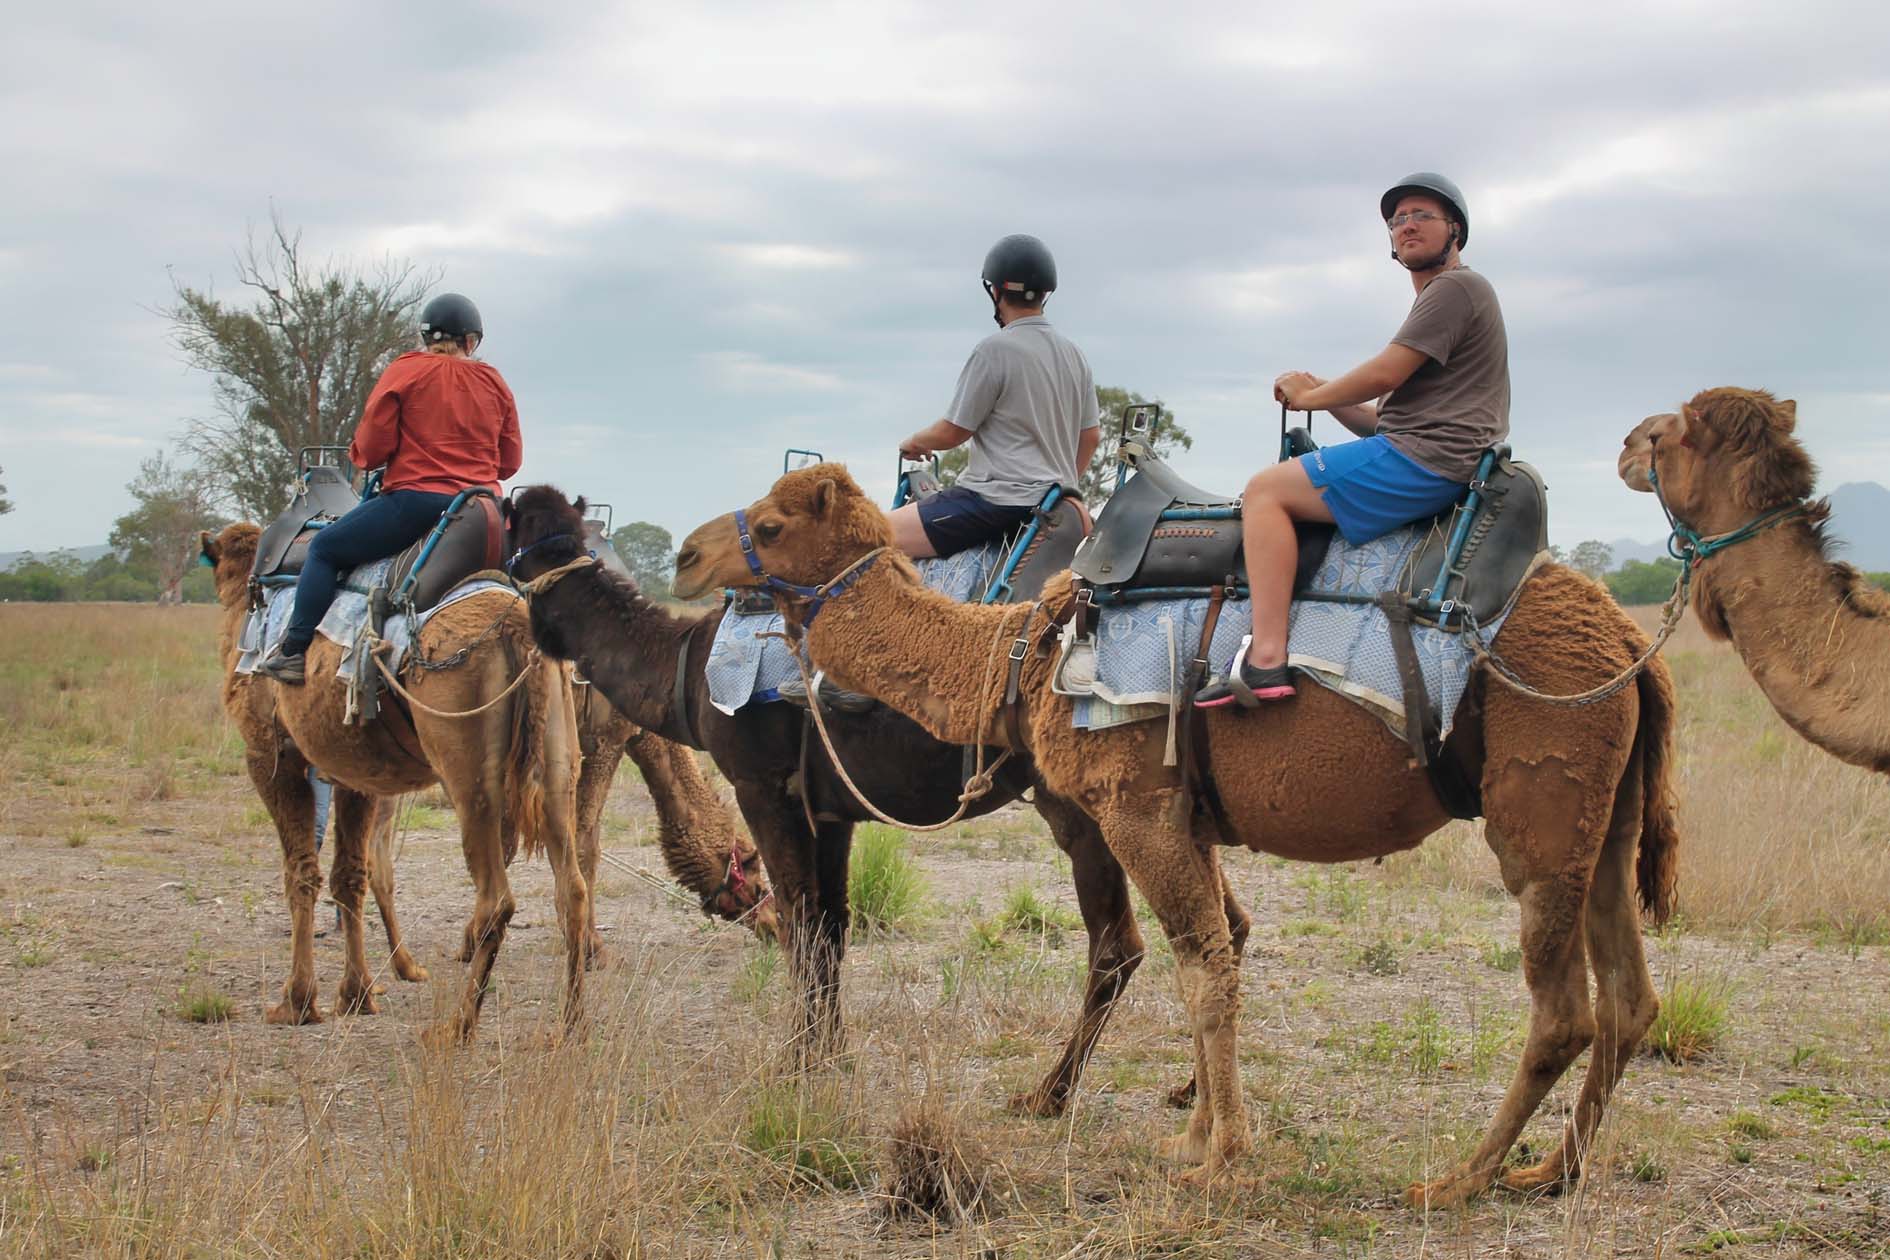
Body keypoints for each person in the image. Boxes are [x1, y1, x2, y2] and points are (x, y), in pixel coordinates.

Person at [1195, 172, 1509, 708]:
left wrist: (1310, 398)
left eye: (1421, 216)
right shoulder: (1440, 298)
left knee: (1265, 491)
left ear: (1454, 229)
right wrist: (1325, 394)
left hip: (1427, 461)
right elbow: (1382, 423)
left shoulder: (1456, 287)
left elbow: (1386, 372)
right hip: (1418, 451)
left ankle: (1265, 657)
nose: (1407, 225)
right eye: (1398, 219)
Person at [255, 293, 522, 684]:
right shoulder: (494, 381)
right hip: (482, 513)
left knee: (326, 548)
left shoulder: (407, 370)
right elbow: (510, 462)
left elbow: (371, 449)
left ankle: (293, 651)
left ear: (427, 338)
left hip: (414, 504)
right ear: (471, 341)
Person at [888, 234, 1102, 560]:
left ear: (996, 292)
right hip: (1056, 503)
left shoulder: (994, 350)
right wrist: (1060, 483)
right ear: (1045, 294)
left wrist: (915, 442)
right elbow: (1091, 437)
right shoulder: (1075, 355)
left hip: (993, 503)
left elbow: (954, 431)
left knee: (870, 534)